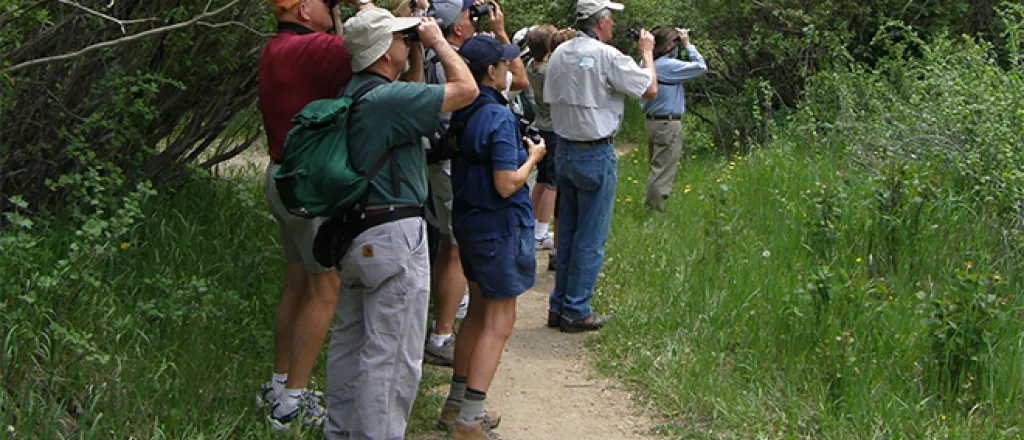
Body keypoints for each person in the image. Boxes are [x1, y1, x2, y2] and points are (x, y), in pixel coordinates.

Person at [323, 7, 478, 439]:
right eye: (397, 39)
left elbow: (413, 92)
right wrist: (435, 42)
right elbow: (465, 89)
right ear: (379, 51)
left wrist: (410, 51)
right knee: (391, 357)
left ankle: (340, 432)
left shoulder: (355, 93)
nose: (403, 42)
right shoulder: (388, 102)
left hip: (356, 236)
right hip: (395, 240)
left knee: (350, 347)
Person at [440, 34, 546, 440]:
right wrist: (534, 157)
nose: (508, 70)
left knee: (479, 313)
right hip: (498, 227)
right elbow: (506, 183)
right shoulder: (499, 118)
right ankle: (470, 421)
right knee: (500, 321)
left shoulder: (464, 110)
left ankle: (456, 406)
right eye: (504, 64)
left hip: (469, 223)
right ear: (491, 71)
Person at [256, 0, 351, 431]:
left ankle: (277, 385)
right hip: (308, 188)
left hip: (279, 175)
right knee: (324, 290)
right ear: (306, 8)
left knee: (296, 283)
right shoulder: (318, 48)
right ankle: (291, 403)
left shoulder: (275, 47)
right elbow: (368, 49)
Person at [421, 0, 526, 367]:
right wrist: (532, 160)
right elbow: (505, 183)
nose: (472, 19)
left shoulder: (438, 63)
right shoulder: (470, 88)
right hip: (478, 197)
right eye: (468, 15)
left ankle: (457, 392)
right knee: (459, 259)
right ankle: (442, 335)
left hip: (450, 171)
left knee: (453, 248)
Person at [543, 0, 657, 332]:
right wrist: (647, 53)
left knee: (567, 231)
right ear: (602, 21)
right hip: (594, 152)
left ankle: (559, 304)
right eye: (610, 20)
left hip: (563, 149)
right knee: (591, 235)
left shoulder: (560, 53)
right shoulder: (608, 57)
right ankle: (576, 310)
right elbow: (649, 88)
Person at [640, 26, 707, 211]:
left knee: (656, 167)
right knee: (662, 170)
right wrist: (687, 44)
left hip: (651, 122)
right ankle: (654, 210)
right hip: (667, 123)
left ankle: (652, 206)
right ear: (669, 45)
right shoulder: (668, 66)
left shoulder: (645, 63)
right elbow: (701, 66)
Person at [523, 24, 558, 252]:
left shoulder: (531, 66)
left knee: (542, 179)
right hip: (554, 128)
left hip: (540, 126)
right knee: (553, 184)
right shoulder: (549, 70)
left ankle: (531, 226)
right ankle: (541, 232)